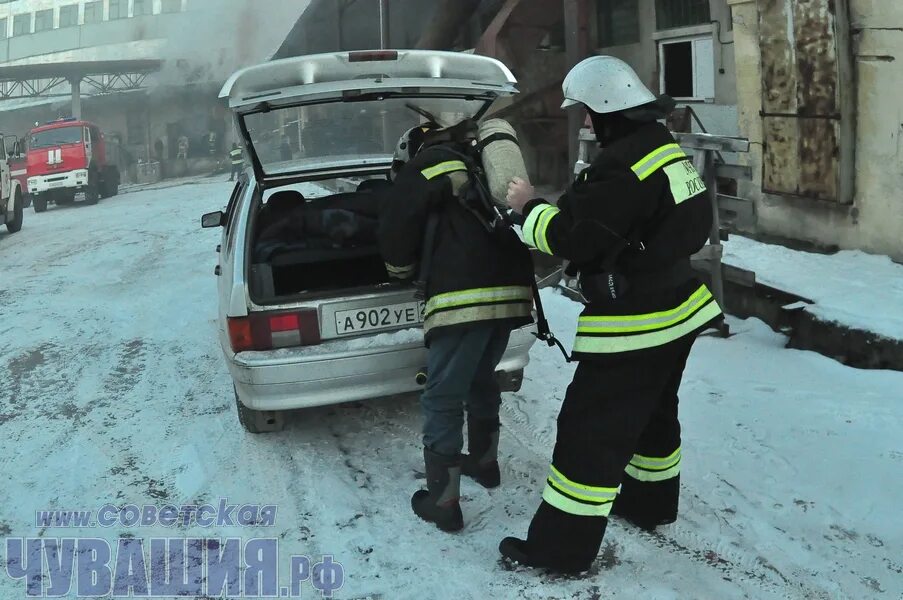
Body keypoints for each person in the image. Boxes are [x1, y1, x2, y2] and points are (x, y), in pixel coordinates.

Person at [499, 55, 724, 574]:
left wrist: (528, 208)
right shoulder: (662, 149)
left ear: (604, 110)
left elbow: (576, 242)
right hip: (680, 310)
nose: (583, 122)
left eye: (584, 112)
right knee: (653, 415)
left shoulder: (620, 166)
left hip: (636, 324)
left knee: (588, 432)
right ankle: (649, 504)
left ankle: (558, 552)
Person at [379, 121, 535, 532]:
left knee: (441, 395)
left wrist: (401, 271)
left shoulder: (427, 165)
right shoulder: (479, 167)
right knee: (480, 377)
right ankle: (485, 464)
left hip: (464, 297)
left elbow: (398, 223)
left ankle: (443, 501)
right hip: (510, 289)